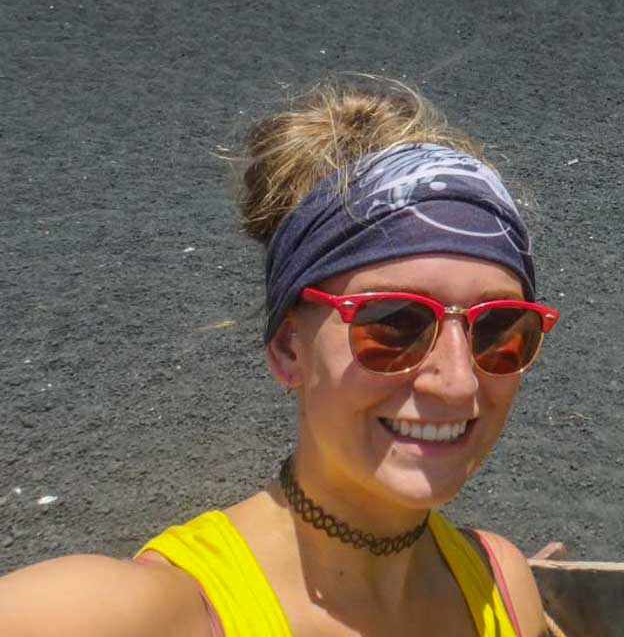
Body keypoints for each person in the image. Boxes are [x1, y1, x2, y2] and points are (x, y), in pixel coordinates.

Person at [0, 77, 556, 636]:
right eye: (394, 323)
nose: (458, 382)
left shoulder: (501, 587)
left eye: (499, 330)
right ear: (289, 346)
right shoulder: (135, 614)